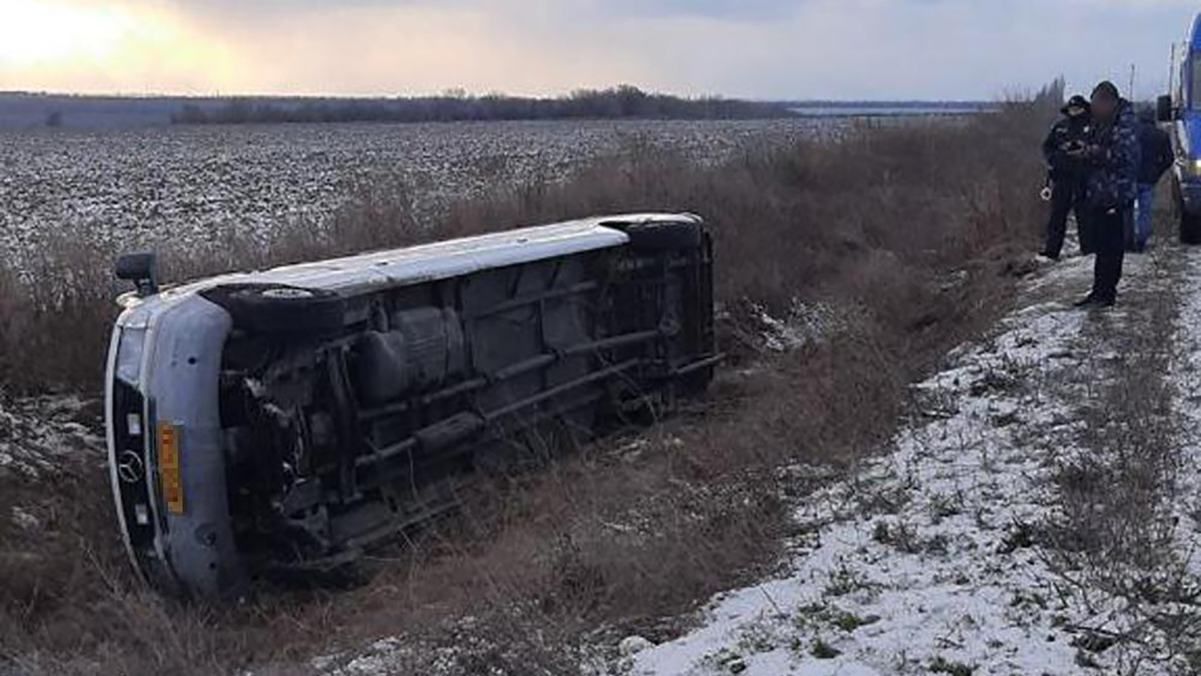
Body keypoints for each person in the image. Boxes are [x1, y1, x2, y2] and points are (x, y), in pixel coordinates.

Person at [1074, 81, 1140, 309]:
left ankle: (1106, 293)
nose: (1093, 109)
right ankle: (1098, 291)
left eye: (1096, 104)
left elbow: (1125, 157)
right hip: (1099, 194)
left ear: (1108, 102)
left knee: (1111, 247)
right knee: (1101, 245)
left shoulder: (1126, 123)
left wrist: (1095, 152)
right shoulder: (1101, 122)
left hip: (1115, 194)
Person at [1040, 95, 1093, 260]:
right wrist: (1055, 158)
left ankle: (1089, 248)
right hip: (1062, 177)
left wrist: (1084, 151)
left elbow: (1098, 147)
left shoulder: (1092, 126)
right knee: (1057, 215)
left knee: (1085, 215)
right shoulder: (1060, 127)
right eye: (1072, 109)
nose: (1074, 112)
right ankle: (1052, 249)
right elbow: (1047, 146)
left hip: (1083, 177)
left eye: (1078, 108)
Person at [1132, 107, 1173, 251]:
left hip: (1131, 176)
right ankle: (1141, 241)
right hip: (1149, 178)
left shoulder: (1132, 133)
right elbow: (1169, 159)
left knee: (1130, 209)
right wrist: (1157, 172)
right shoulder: (1161, 135)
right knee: (1145, 210)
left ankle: (1129, 238)